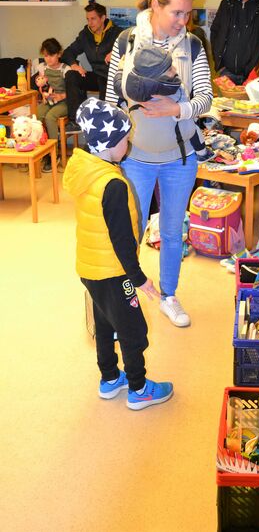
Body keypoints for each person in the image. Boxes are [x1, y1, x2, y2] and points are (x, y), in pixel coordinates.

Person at [105, 0, 213, 328]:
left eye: (188, 14)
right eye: (177, 13)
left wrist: (175, 109)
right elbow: (111, 100)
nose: (184, 21)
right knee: (130, 231)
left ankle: (169, 295)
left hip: (179, 158)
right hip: (134, 157)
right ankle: (126, 301)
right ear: (155, 6)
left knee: (170, 231)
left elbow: (205, 100)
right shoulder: (126, 41)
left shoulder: (194, 45)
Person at [63, 98, 173, 411]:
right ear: (111, 143)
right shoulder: (112, 184)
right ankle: (138, 389)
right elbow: (122, 240)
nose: (129, 142)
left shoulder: (84, 169)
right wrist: (138, 279)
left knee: (105, 323)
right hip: (113, 271)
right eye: (126, 137)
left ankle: (110, 379)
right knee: (132, 329)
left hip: (89, 266)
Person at [113, 43, 215, 163]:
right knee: (192, 123)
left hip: (138, 145)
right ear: (158, 76)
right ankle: (202, 153)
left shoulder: (127, 87)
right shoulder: (178, 90)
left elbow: (117, 85)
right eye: (170, 68)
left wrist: (121, 69)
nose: (175, 70)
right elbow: (189, 115)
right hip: (176, 147)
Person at [62, 1, 122, 132]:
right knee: (71, 75)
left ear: (103, 18)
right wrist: (74, 65)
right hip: (96, 76)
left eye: (93, 19)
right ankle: (76, 121)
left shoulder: (117, 33)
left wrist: (116, 53)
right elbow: (67, 52)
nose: (90, 23)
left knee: (105, 112)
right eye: (88, 19)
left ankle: (104, 138)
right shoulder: (85, 34)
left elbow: (132, 51)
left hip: (111, 78)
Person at [33, 38, 70, 172]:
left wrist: (61, 96)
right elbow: (41, 86)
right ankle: (39, 150)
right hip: (48, 101)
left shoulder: (66, 69)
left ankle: (53, 153)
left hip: (64, 102)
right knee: (35, 115)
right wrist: (43, 94)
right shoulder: (42, 67)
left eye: (51, 55)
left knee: (50, 117)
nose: (48, 59)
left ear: (59, 54)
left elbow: (73, 92)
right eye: (46, 55)